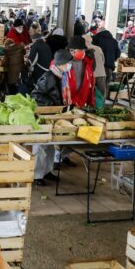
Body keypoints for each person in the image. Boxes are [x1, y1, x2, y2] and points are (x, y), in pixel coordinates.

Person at [30, 49, 74, 185]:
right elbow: (48, 97)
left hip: (52, 113)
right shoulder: (49, 77)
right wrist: (61, 109)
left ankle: (47, 171)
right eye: (68, 62)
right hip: (42, 113)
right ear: (62, 63)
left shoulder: (60, 76)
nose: (70, 65)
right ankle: (37, 176)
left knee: (49, 146)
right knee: (41, 145)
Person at [64, 36, 95, 108]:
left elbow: (91, 84)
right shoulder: (62, 63)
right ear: (70, 50)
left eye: (83, 50)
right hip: (65, 102)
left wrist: (91, 103)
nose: (82, 52)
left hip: (80, 102)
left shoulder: (88, 63)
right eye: (80, 50)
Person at [27, 24, 53, 89]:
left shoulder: (36, 45)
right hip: (49, 69)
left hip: (41, 71)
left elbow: (31, 62)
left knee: (29, 71)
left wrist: (26, 61)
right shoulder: (46, 44)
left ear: (33, 40)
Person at [85, 32, 107, 105]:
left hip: (91, 75)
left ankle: (91, 109)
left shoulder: (84, 50)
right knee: (101, 93)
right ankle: (100, 108)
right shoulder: (98, 48)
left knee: (90, 94)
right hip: (101, 73)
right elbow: (103, 61)